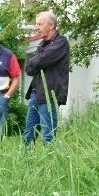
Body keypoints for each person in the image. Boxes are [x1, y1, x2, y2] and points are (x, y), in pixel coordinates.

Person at [23, 11, 70, 145]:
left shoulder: (61, 42)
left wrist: (36, 59)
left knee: (48, 136)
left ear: (51, 25)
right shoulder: (42, 45)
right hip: (35, 94)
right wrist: (37, 60)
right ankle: (27, 163)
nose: (36, 27)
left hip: (50, 95)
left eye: (39, 24)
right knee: (28, 135)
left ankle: (49, 163)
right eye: (36, 24)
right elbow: (29, 69)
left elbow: (41, 60)